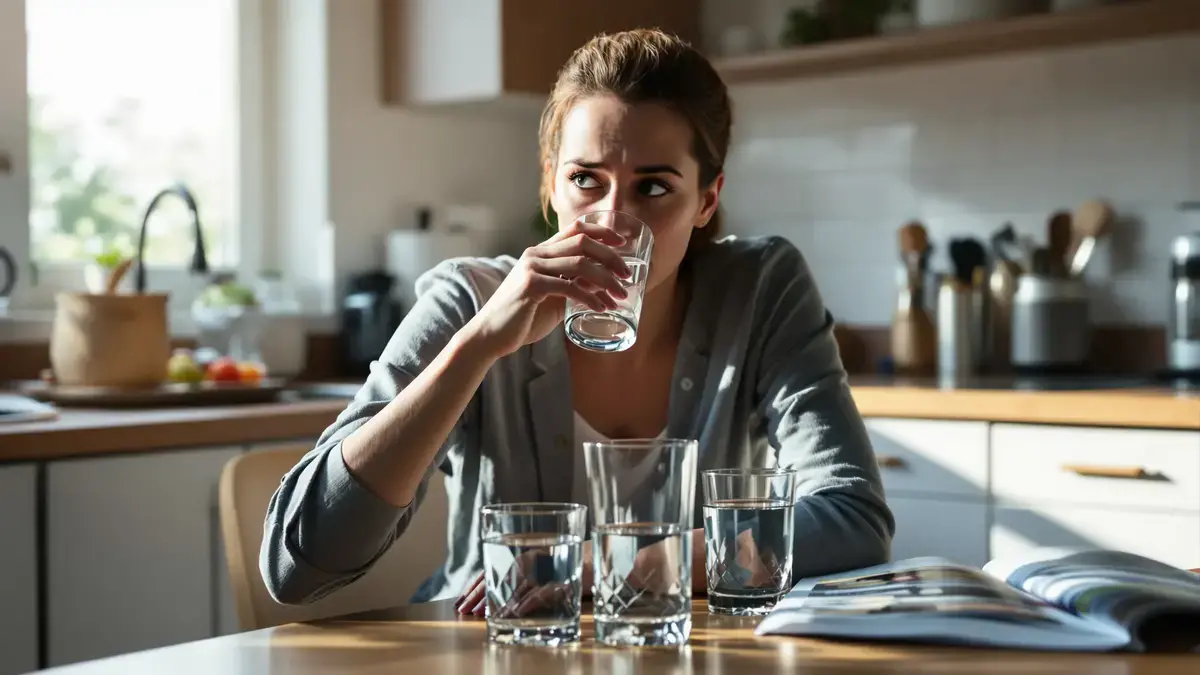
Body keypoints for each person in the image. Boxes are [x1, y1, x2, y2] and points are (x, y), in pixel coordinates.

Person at [260, 28, 894, 616]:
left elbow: (853, 519)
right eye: (586, 180)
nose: (613, 221)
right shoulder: (470, 300)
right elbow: (295, 567)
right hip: (492, 650)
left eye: (653, 188)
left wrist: (617, 565)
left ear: (707, 199)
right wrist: (476, 348)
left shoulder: (760, 290)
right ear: (551, 186)